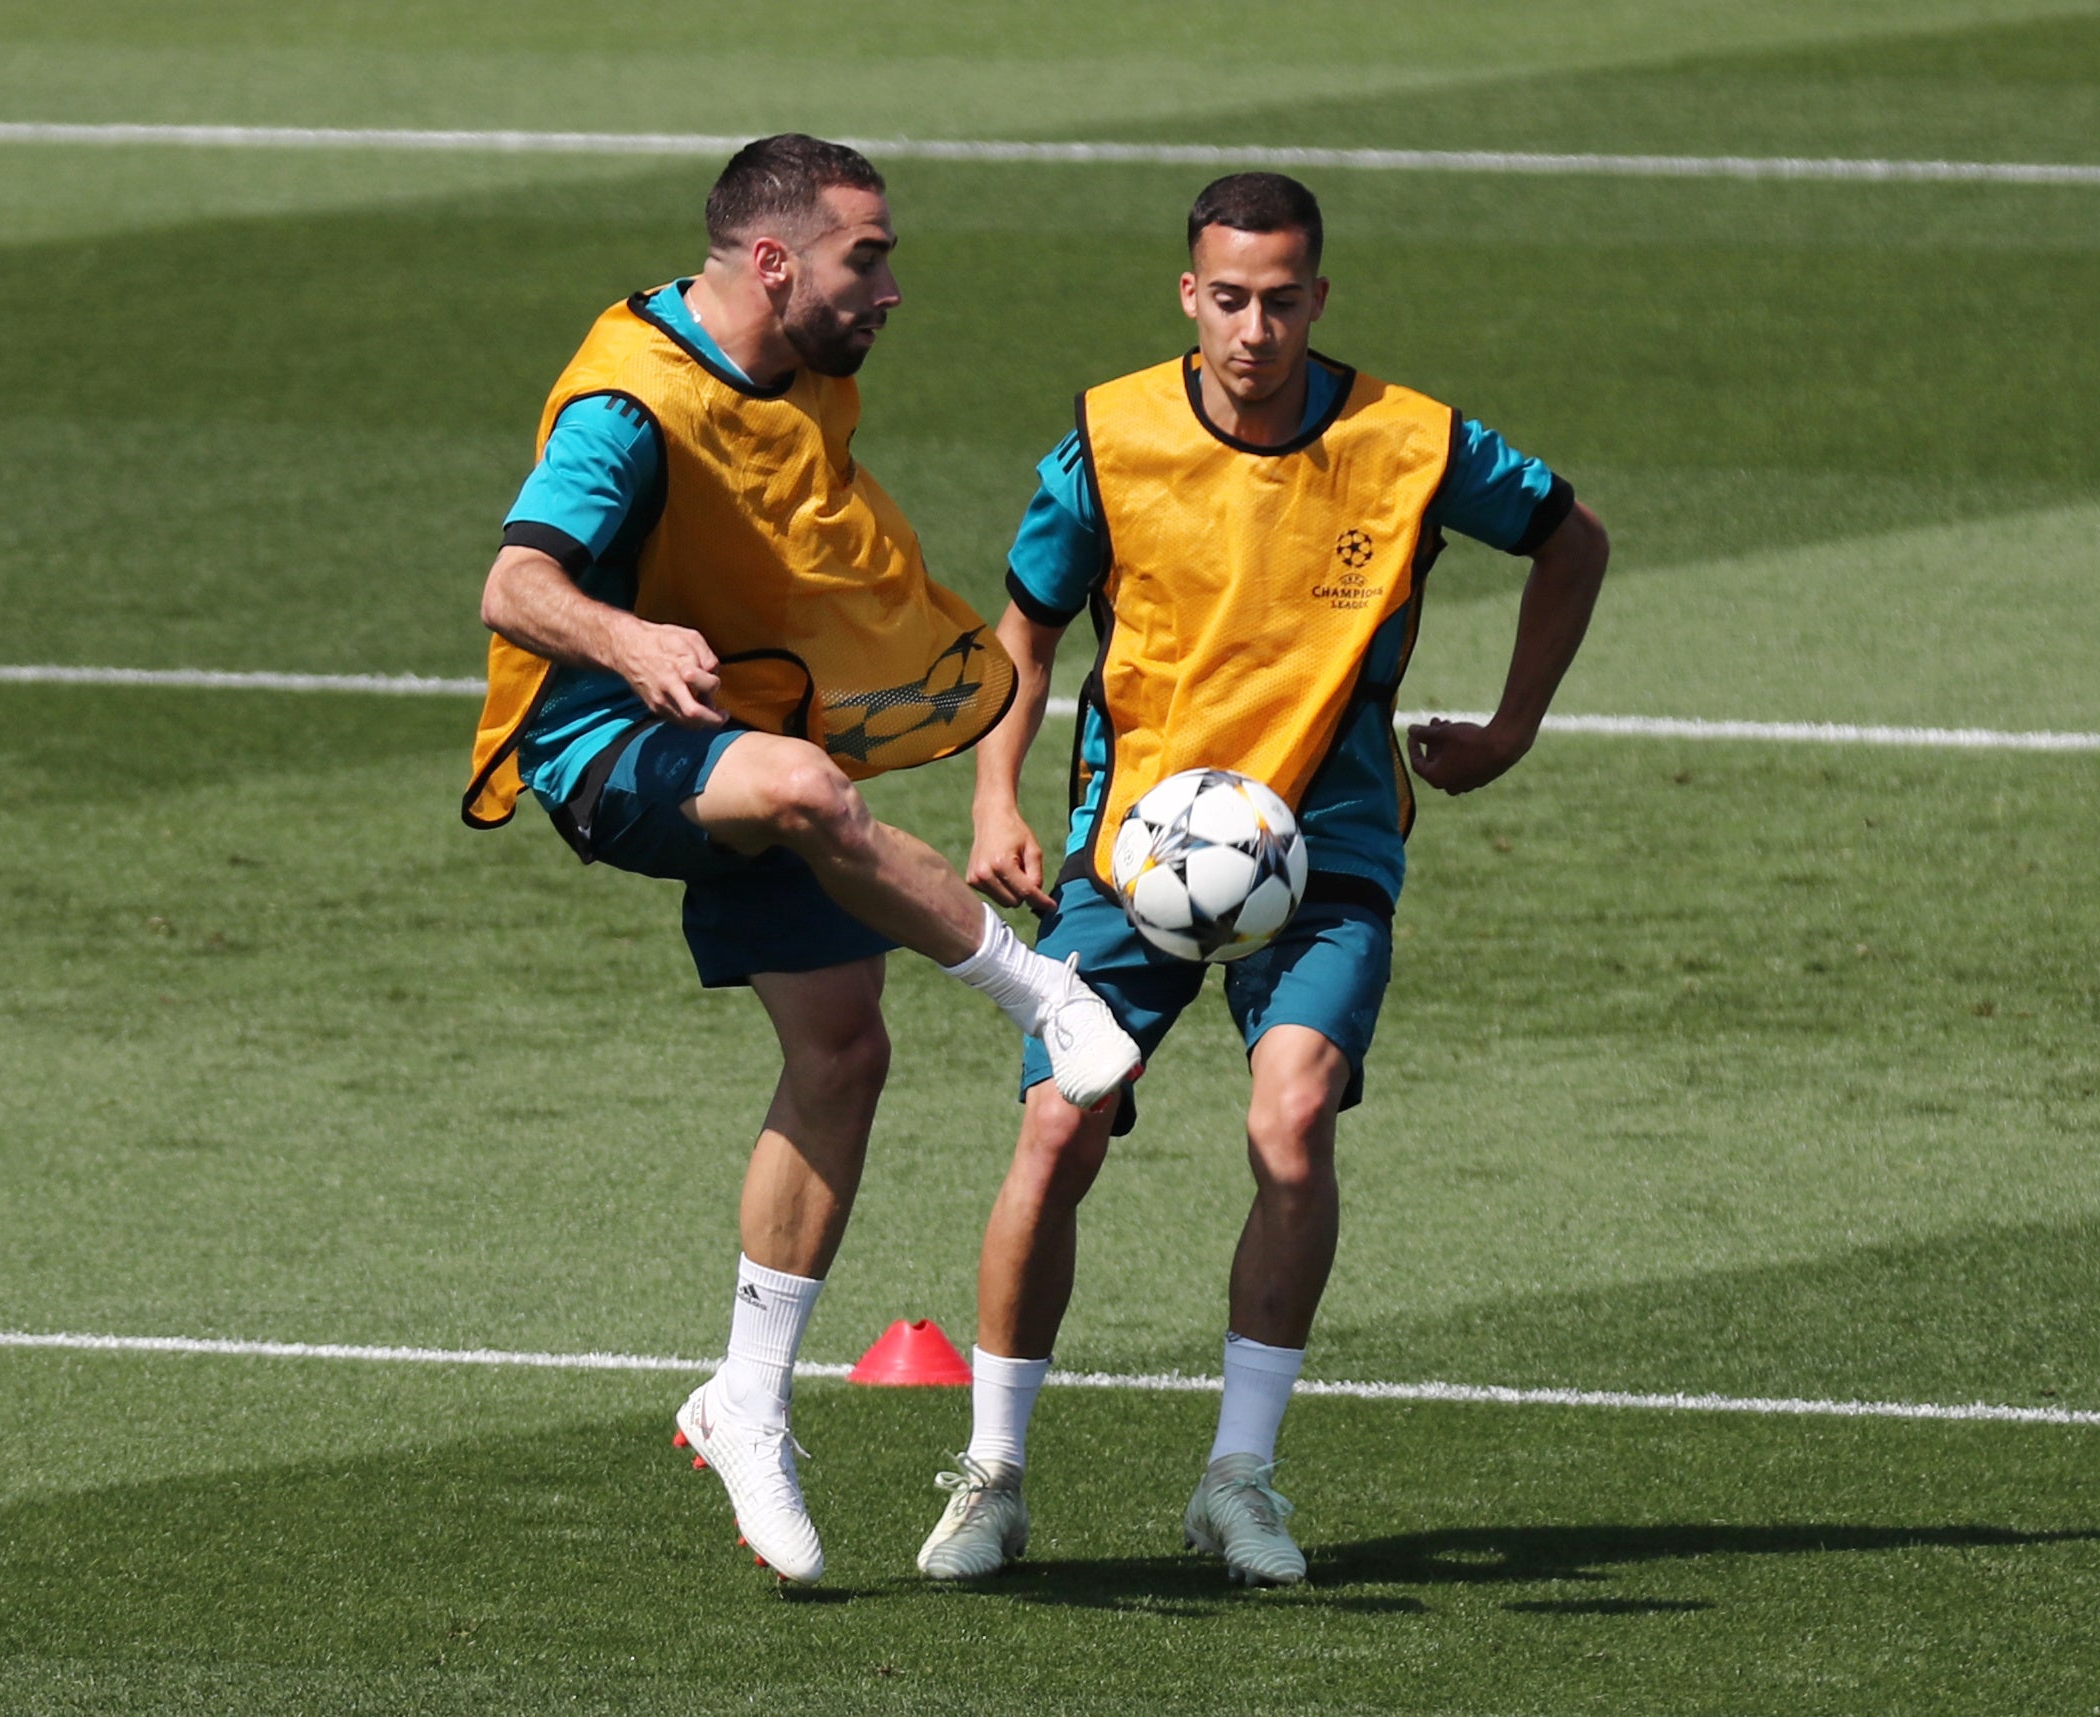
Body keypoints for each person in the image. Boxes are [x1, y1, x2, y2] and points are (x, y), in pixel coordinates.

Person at [465, 134, 1141, 1587]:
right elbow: (514, 583)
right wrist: (631, 636)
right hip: (603, 743)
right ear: (773, 262)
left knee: (842, 1054)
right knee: (806, 790)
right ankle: (1045, 998)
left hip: (742, 726)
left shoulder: (805, 363)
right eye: (867, 256)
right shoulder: (625, 406)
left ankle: (744, 1404)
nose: (890, 286)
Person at [916, 172, 1608, 1586]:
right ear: (1188, 294)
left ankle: (1238, 1479)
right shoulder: (1110, 437)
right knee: (1058, 1128)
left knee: (1291, 1127)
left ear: (1318, 297)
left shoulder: (1408, 441)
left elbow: (1570, 538)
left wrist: (1513, 723)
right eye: (1227, 299)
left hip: (1327, 842)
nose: (1253, 329)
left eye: (1281, 300)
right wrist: (993, 798)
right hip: (1135, 850)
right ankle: (990, 1473)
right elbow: (1024, 633)